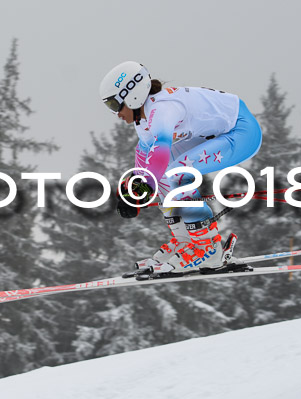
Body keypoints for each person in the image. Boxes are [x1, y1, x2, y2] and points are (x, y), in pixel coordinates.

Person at [99, 61, 262, 274]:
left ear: (132, 95)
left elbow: (161, 150)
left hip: (242, 132)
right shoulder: (145, 118)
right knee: (165, 173)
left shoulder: (162, 109)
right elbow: (145, 158)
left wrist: (143, 190)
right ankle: (186, 241)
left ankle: (208, 247)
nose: (116, 114)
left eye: (114, 105)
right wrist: (135, 192)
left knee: (177, 172)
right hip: (218, 134)